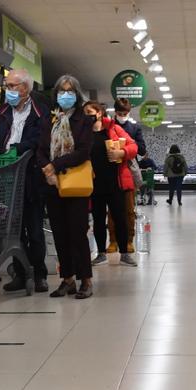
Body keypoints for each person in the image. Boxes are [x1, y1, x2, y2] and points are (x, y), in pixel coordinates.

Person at [0, 68, 50, 292]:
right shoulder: (2, 111)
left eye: (11, 86)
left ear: (25, 88)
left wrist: (16, 150)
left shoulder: (40, 112)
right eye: (7, 86)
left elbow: (39, 141)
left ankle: (39, 274)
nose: (8, 90)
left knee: (34, 230)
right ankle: (20, 273)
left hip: (30, 177)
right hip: (5, 179)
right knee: (13, 231)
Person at [38, 74, 95, 299]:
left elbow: (82, 152)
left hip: (75, 183)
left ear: (77, 94)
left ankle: (86, 280)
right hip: (52, 184)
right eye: (61, 91)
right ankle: (68, 279)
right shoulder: (49, 119)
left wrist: (55, 164)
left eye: (70, 91)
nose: (65, 95)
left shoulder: (84, 120)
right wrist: (46, 168)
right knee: (60, 232)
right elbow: (40, 148)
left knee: (77, 232)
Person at [85, 100, 138, 267]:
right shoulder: (83, 133)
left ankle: (124, 253)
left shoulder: (113, 129)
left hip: (115, 182)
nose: (87, 116)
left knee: (120, 217)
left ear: (99, 113)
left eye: (90, 112)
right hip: (93, 183)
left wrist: (122, 152)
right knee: (98, 219)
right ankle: (101, 252)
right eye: (85, 113)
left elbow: (133, 146)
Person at [108, 98, 145, 254]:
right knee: (111, 210)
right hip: (110, 171)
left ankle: (129, 240)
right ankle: (113, 241)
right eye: (120, 113)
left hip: (128, 171)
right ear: (114, 112)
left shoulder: (135, 128)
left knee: (129, 209)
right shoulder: (107, 126)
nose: (122, 115)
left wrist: (127, 146)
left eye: (125, 113)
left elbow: (142, 149)